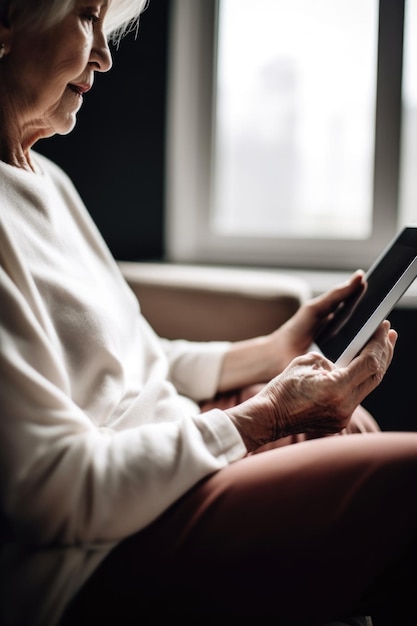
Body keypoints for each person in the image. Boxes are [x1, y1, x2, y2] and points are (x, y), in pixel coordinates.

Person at [1, 1, 417, 625]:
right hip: (99, 553)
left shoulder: (47, 179)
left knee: (353, 424)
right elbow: (53, 491)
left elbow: (137, 356)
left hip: (163, 476)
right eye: (87, 15)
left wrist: (273, 353)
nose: (105, 54)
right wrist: (263, 418)